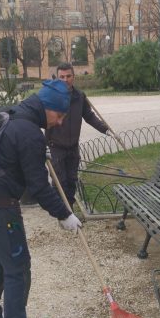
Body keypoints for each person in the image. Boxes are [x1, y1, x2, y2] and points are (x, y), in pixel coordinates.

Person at [0, 80, 82, 318]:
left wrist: (38, 155)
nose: (60, 122)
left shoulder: (8, 114)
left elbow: (9, 156)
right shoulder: (29, 132)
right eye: (59, 115)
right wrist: (65, 214)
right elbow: (39, 187)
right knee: (17, 269)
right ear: (47, 107)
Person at [45, 62, 109, 209]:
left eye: (68, 76)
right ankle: (62, 212)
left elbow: (89, 116)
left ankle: (70, 208)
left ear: (74, 77)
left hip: (73, 147)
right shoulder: (51, 97)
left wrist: (105, 129)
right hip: (56, 147)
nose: (65, 80)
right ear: (57, 78)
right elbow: (43, 122)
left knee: (72, 179)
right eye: (62, 77)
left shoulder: (79, 97)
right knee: (60, 181)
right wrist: (44, 145)